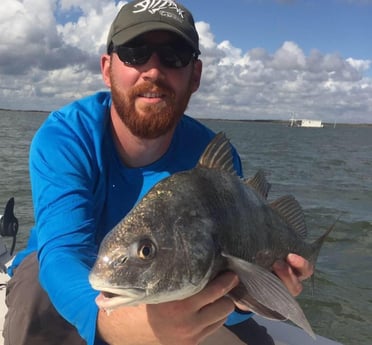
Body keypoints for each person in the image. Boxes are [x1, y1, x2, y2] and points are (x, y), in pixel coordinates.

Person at [3, 1, 313, 344]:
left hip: (176, 283)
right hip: (91, 281)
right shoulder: (66, 136)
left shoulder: (213, 161)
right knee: (35, 293)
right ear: (107, 68)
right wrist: (111, 327)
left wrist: (262, 291)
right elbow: (62, 253)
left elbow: (228, 279)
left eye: (174, 55)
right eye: (135, 52)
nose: (152, 70)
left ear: (195, 75)